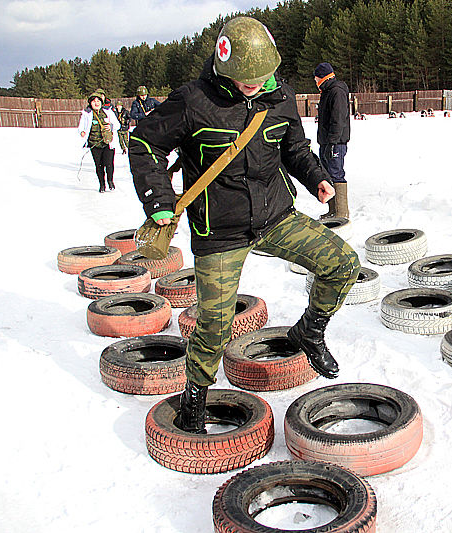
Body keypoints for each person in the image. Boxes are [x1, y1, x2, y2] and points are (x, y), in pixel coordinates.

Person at [128, 16, 360, 434]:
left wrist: (316, 177)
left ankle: (310, 331)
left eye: (262, 76)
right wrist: (159, 201)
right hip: (219, 231)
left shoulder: (282, 96)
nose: (254, 84)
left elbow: (295, 148)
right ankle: (194, 398)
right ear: (224, 66)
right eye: (245, 78)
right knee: (214, 328)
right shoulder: (193, 100)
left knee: (343, 263)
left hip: (275, 216)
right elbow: (144, 143)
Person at [313, 62, 351, 219]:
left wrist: (333, 143)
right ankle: (332, 211)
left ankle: (341, 213)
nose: (315, 83)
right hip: (326, 142)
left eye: (316, 79)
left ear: (322, 78)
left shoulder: (336, 91)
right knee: (327, 175)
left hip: (335, 143)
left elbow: (338, 119)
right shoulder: (327, 92)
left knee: (336, 174)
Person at [78, 91, 121, 192]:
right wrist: (82, 132)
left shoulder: (108, 112)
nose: (96, 103)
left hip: (107, 143)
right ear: (90, 103)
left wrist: (110, 126)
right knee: (99, 165)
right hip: (94, 144)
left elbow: (118, 125)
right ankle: (102, 184)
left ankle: (110, 181)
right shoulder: (86, 114)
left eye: (98, 101)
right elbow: (81, 127)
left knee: (109, 164)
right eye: (94, 101)